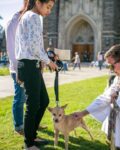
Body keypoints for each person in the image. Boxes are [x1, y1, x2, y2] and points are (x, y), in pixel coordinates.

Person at [74, 44, 120, 150]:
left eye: (111, 65)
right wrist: (83, 113)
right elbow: (106, 96)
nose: (111, 70)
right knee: (113, 108)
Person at [15, 0, 57, 149]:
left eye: (51, 8)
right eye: (48, 7)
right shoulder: (32, 17)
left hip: (31, 64)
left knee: (43, 101)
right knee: (32, 105)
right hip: (29, 65)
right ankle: (29, 143)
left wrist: (47, 58)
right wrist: (49, 62)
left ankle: (32, 135)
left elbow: (36, 46)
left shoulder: (29, 16)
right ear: (38, 3)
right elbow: (34, 47)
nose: (49, 11)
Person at [5, 0, 28, 135]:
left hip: (27, 68)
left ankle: (28, 122)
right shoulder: (13, 22)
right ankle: (19, 126)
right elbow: (12, 50)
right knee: (19, 98)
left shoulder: (26, 21)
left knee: (28, 98)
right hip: (18, 69)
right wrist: (18, 71)